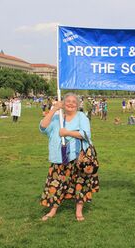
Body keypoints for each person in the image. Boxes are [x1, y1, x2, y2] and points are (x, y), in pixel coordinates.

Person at [39, 92, 99, 221]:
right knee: (56, 184)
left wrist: (67, 132)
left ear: (77, 105)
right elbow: (43, 127)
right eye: (68, 101)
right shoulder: (57, 118)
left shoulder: (81, 116)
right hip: (59, 157)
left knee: (80, 184)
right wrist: (54, 109)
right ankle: (53, 210)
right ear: (63, 103)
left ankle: (79, 211)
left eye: (74, 101)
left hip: (78, 158)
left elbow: (85, 134)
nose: (71, 103)